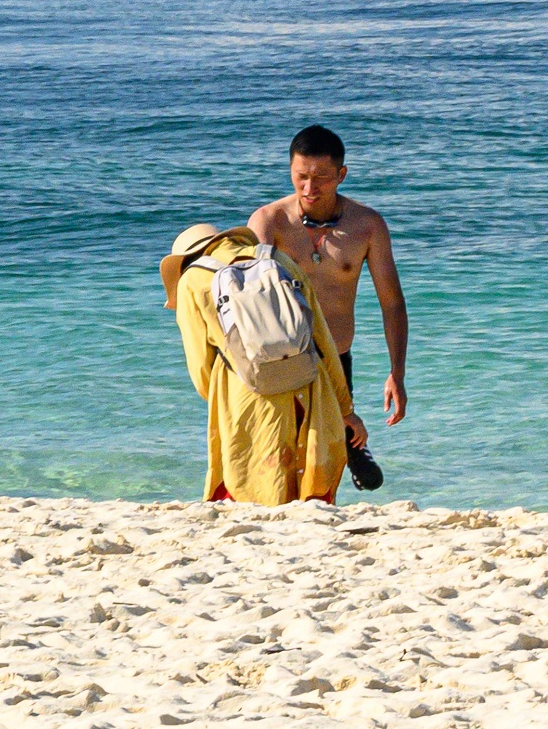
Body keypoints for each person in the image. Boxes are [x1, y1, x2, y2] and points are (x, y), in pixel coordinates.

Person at [159, 221, 362, 503]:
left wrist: (221, 398)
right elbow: (322, 338)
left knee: (256, 483)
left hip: (248, 391)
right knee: (307, 489)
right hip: (309, 383)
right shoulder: (277, 259)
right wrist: (344, 408)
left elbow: (201, 367)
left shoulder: (192, 282)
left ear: (185, 261)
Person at [251, 124, 406, 492]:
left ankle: (348, 449)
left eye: (320, 178)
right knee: (280, 456)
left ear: (341, 175)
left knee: (328, 464)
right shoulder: (268, 221)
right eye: (300, 176)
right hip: (282, 357)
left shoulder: (367, 226)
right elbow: (247, 296)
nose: (308, 189)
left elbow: (392, 303)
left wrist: (396, 372)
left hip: (337, 357)